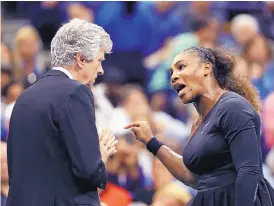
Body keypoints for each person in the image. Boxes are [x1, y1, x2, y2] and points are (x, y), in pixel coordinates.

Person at [125, 47, 274, 206]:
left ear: (206, 68)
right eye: (171, 73)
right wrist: (151, 142)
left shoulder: (233, 107)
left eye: (181, 67)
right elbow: (194, 178)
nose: (174, 76)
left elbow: (248, 172)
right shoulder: (198, 123)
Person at [7, 18, 118, 206]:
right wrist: (100, 155)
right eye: (99, 61)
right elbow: (89, 171)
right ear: (81, 59)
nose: (100, 70)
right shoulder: (76, 92)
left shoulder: (25, 96)